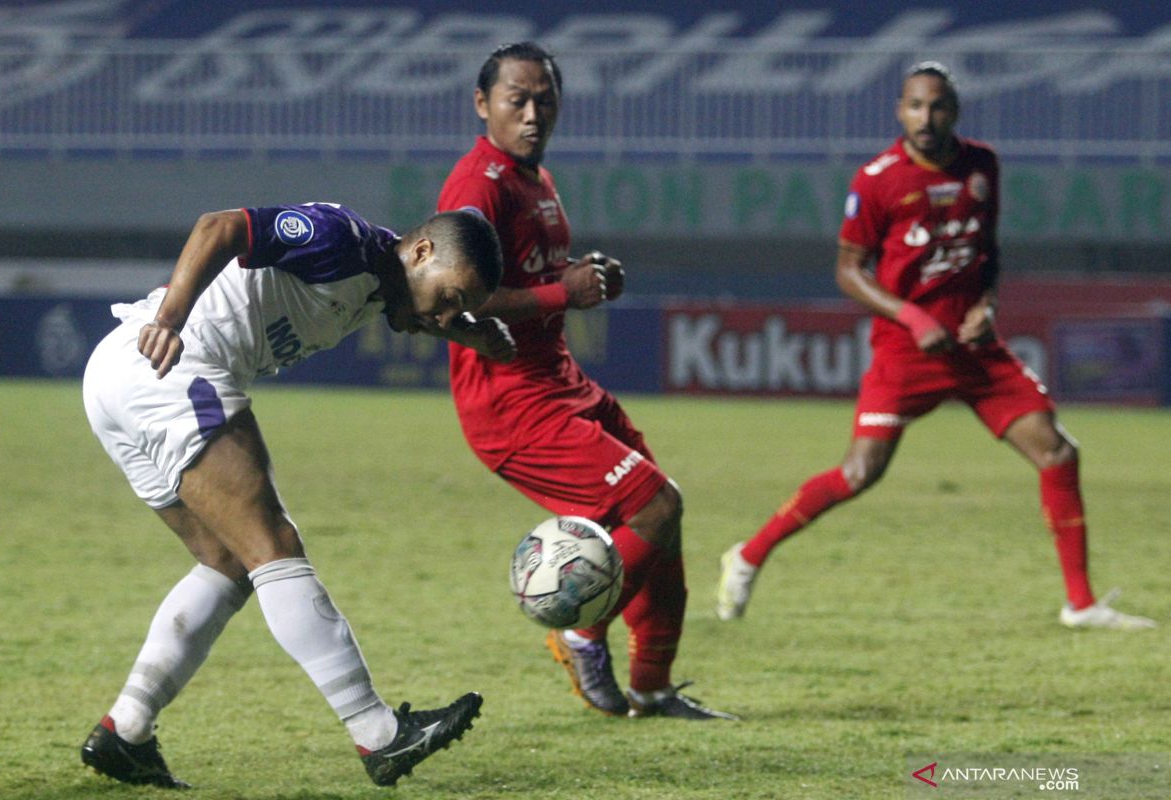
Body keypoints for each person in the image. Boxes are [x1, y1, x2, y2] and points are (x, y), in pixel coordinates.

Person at [80, 202, 516, 789]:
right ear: (421, 251)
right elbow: (219, 226)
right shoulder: (339, 239)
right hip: (173, 362)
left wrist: (471, 332)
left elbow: (413, 311)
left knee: (228, 562)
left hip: (120, 380)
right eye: (451, 296)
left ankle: (125, 731)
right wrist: (172, 317)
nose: (445, 314)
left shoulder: (388, 281)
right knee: (274, 547)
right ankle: (379, 733)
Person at [715, 62, 1155, 632]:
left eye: (938, 106)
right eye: (916, 106)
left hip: (976, 351)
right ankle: (748, 556)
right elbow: (849, 272)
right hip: (906, 351)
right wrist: (912, 315)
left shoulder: (982, 166)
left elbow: (988, 253)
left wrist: (987, 307)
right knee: (859, 473)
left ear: (955, 111)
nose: (927, 118)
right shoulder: (877, 179)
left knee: (1058, 452)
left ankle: (1081, 603)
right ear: (900, 110)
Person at [437, 42, 735, 721]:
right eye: (518, 99)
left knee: (661, 515)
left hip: (561, 385)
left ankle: (652, 689)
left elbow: (535, 274)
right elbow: (448, 299)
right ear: (483, 105)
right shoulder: (476, 185)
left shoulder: (533, 178)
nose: (533, 112)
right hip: (510, 403)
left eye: (545, 99)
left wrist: (584, 274)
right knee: (655, 507)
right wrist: (558, 295)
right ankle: (580, 631)